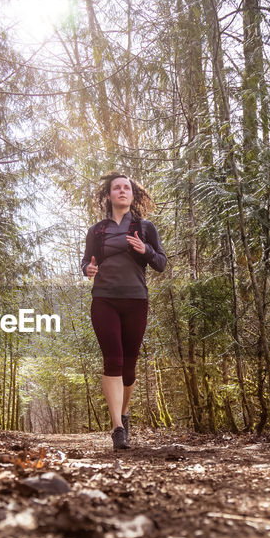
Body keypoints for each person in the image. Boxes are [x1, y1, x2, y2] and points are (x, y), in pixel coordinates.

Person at [81, 172, 168, 449]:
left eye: (126, 188)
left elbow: (161, 264)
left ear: (133, 195)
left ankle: (125, 412)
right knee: (113, 360)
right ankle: (117, 428)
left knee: (129, 368)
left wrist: (145, 250)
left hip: (136, 300)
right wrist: (88, 269)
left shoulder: (145, 228)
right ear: (109, 196)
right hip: (104, 299)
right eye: (116, 188)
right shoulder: (97, 231)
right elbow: (86, 262)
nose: (121, 191)